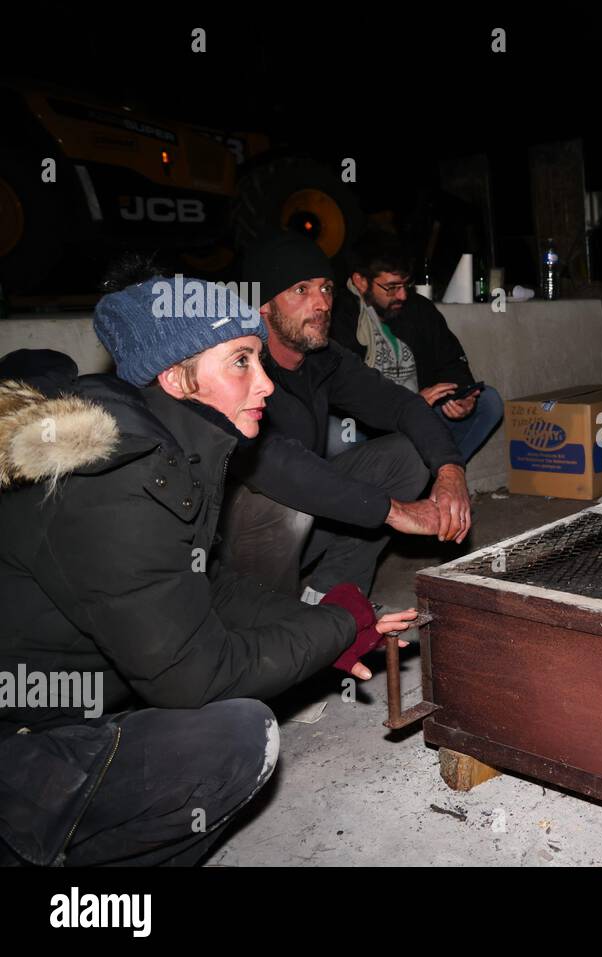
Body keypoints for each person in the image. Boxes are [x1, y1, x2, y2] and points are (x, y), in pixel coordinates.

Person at [0, 267, 416, 866]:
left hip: (76, 703)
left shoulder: (170, 447)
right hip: (21, 739)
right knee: (235, 740)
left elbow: (205, 587)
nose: (266, 384)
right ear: (176, 376)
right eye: (242, 362)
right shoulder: (112, 481)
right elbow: (193, 677)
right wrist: (338, 630)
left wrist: (335, 616)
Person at [219, 231, 472, 603]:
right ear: (264, 305)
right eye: (301, 290)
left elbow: (402, 405)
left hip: (303, 520)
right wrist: (393, 512)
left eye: (326, 289)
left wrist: (451, 471)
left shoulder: (324, 358)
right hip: (237, 541)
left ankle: (329, 598)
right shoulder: (236, 366)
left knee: (408, 454)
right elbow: (276, 465)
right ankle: (265, 618)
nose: (321, 303)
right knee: (286, 500)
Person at [329, 229, 503, 462]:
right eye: (391, 287)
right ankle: (369, 494)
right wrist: (407, 405)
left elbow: (451, 361)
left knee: (488, 402)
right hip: (366, 419)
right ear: (360, 281)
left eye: (406, 285)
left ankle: (438, 480)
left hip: (421, 411)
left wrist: (464, 396)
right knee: (339, 435)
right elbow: (343, 390)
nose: (402, 295)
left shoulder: (419, 309)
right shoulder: (337, 315)